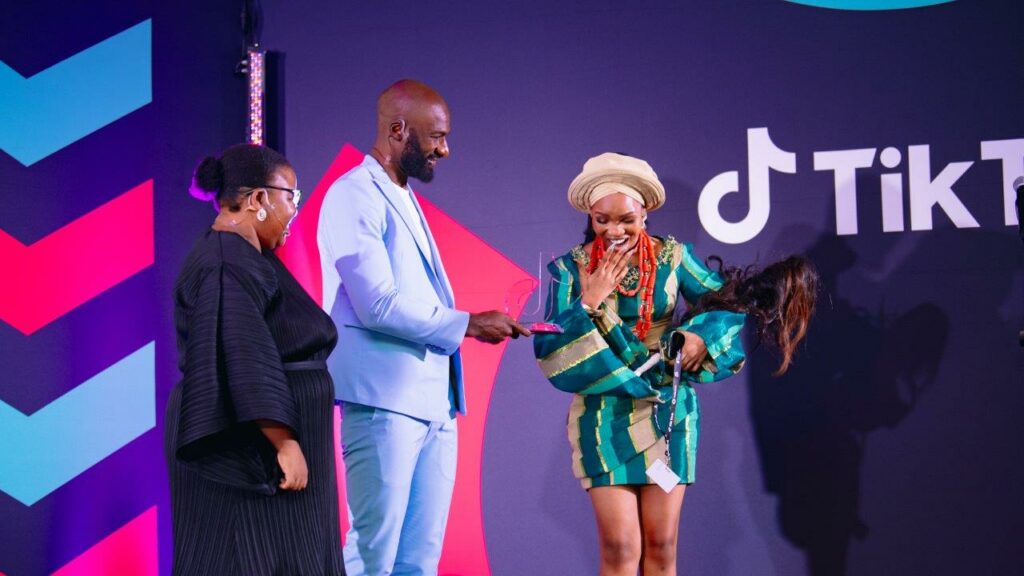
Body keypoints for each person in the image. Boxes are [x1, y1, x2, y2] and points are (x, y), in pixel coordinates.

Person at [533, 152, 817, 576]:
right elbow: (551, 347)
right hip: (603, 413)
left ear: (645, 213)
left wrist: (698, 335)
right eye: (601, 220)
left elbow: (726, 303)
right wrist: (589, 301)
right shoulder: (569, 269)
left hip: (668, 411)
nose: (614, 230)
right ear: (590, 216)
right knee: (619, 548)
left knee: (662, 547)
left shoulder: (673, 257)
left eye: (626, 219)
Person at [317, 79, 529, 576]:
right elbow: (377, 305)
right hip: (383, 405)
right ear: (398, 130)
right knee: (373, 556)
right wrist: (468, 324)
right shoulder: (353, 194)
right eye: (436, 136)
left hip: (434, 407)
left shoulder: (402, 194)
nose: (444, 149)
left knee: (418, 562)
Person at [165, 144, 344, 575]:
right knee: (247, 558)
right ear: (259, 199)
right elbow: (241, 350)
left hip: (270, 437)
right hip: (254, 444)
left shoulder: (246, 256)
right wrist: (284, 443)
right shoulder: (225, 261)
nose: (294, 210)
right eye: (291, 197)